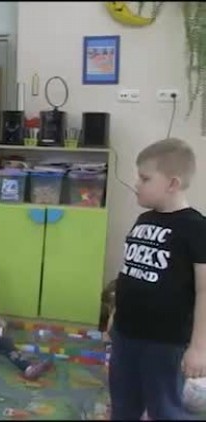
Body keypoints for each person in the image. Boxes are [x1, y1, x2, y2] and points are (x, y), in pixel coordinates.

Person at [110, 138, 206, 420]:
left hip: (165, 343)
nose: (136, 184)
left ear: (172, 184)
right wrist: (115, 313)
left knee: (165, 409)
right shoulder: (143, 220)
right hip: (126, 335)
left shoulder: (196, 228)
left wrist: (199, 348)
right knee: (123, 405)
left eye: (145, 178)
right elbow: (129, 271)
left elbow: (204, 290)